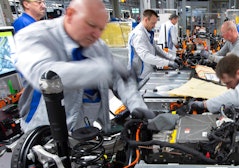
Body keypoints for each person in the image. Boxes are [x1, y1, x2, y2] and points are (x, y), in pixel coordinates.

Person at [14, 0, 153, 133]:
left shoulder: (97, 45)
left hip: (87, 131)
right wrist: (103, 70)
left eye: (101, 29)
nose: (96, 34)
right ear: (70, 15)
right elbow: (44, 75)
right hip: (46, 133)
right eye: (91, 25)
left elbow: (120, 79)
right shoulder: (34, 35)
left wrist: (137, 106)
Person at [127, 9, 181, 80]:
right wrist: (168, 63)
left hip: (147, 72)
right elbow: (145, 56)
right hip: (139, 75)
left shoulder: (147, 32)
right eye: (153, 23)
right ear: (146, 20)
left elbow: (156, 49)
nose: (154, 26)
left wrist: (172, 58)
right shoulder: (139, 35)